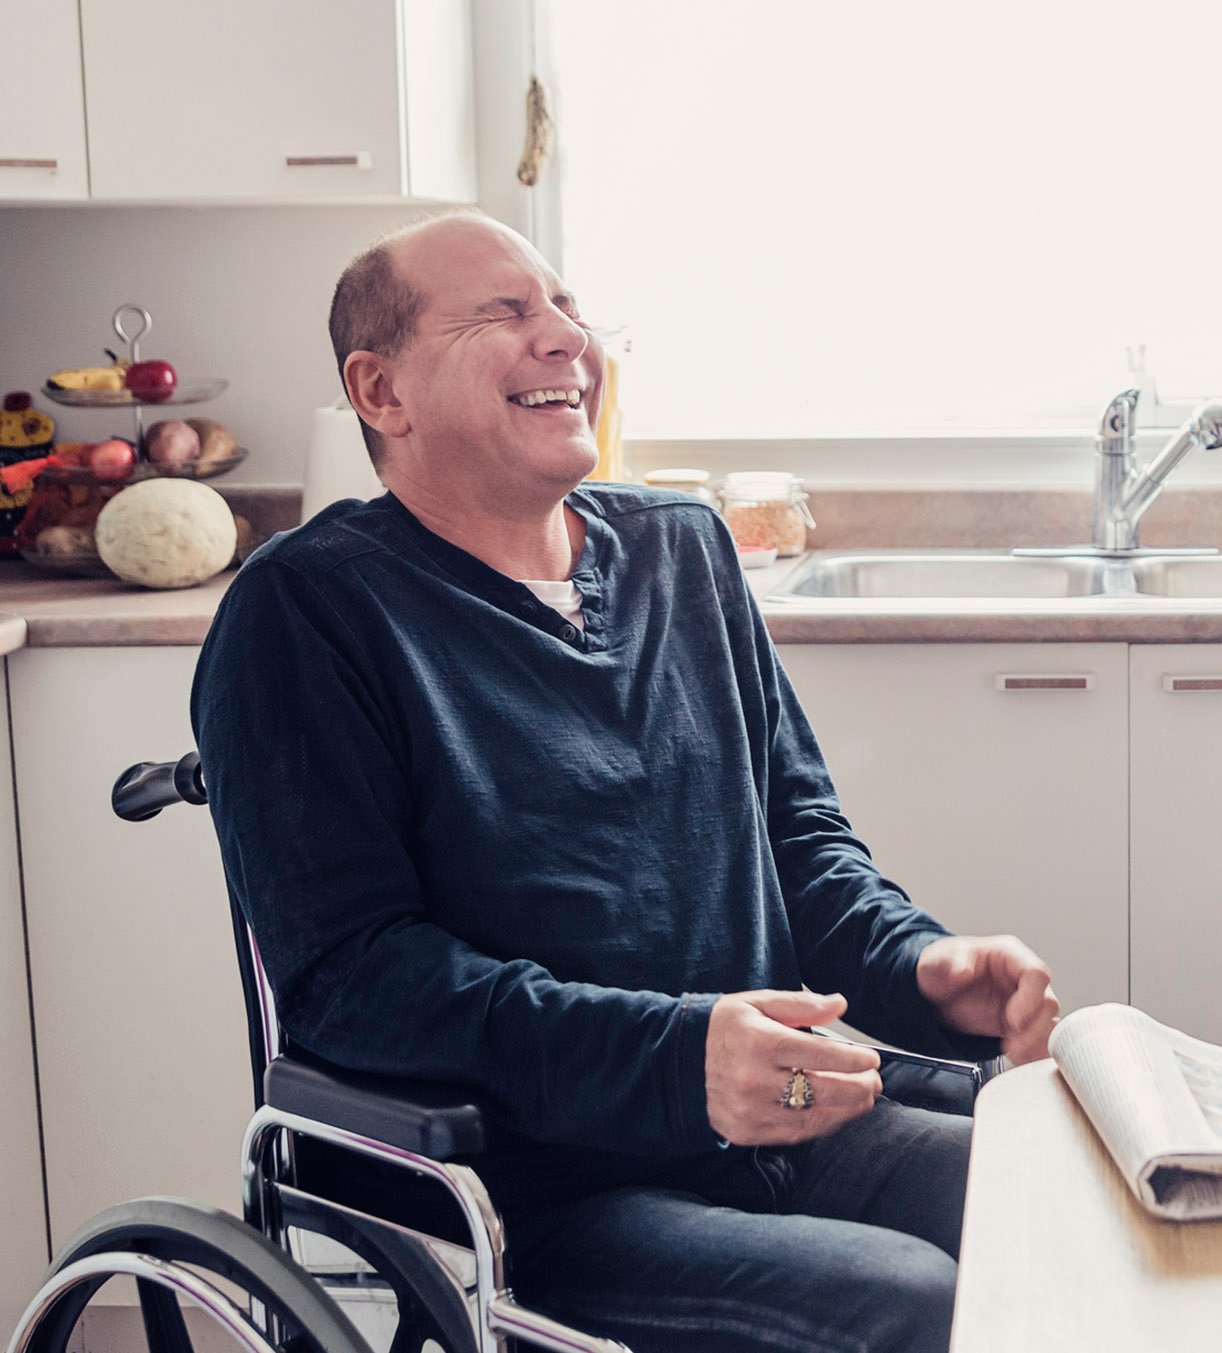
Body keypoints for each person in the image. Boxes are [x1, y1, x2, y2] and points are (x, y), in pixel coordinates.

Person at [193, 209, 1059, 1353]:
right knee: (914, 1304)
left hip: (791, 1119)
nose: (564, 339)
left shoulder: (681, 552)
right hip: (537, 1193)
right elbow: (357, 980)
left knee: (1061, 1206)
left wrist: (919, 966)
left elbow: (795, 843)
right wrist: (675, 1061)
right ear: (381, 392)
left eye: (567, 309)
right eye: (505, 313)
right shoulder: (305, 614)